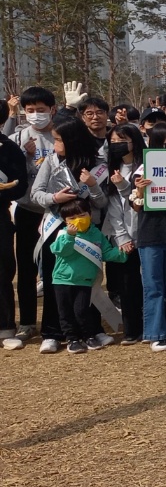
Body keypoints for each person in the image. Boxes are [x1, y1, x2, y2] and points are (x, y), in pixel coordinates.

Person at [32, 120, 111, 353]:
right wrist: (55, 198)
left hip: (87, 231)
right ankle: (53, 333)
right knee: (55, 282)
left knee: (87, 281)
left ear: (73, 141)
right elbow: (36, 193)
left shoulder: (97, 165)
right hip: (57, 228)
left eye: (59, 140)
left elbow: (102, 202)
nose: (55, 144)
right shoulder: (51, 161)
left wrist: (93, 186)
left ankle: (92, 330)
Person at [128, 123, 166, 351]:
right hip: (150, 235)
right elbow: (134, 206)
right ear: (155, 144)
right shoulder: (142, 170)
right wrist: (141, 192)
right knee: (153, 285)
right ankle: (156, 333)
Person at [48, 197, 126, 353]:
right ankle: (72, 339)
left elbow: (107, 253)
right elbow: (59, 250)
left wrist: (123, 254)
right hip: (63, 280)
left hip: (85, 281)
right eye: (72, 218)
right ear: (65, 220)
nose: (78, 220)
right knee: (66, 312)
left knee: (82, 311)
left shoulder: (96, 233)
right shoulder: (63, 234)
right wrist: (70, 236)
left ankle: (89, 336)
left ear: (90, 214)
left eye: (82, 215)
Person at [13, 85, 59, 339]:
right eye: (30, 110)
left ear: (52, 110)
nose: (35, 115)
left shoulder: (60, 136)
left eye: (41, 110)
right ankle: (28, 322)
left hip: (55, 212)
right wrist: (22, 155)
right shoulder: (18, 138)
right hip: (27, 210)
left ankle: (54, 323)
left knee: (54, 267)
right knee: (27, 267)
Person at [102, 124, 144, 345]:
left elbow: (139, 200)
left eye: (122, 139)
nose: (117, 144)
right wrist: (122, 237)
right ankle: (132, 329)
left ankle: (152, 325)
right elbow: (113, 208)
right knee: (127, 284)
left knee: (150, 282)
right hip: (123, 237)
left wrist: (124, 186)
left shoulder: (146, 166)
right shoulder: (109, 169)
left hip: (146, 234)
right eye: (113, 140)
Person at [0, 99, 29, 345]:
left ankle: (5, 326)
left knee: (2, 269)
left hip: (0, 214)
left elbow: (19, 184)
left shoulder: (8, 148)